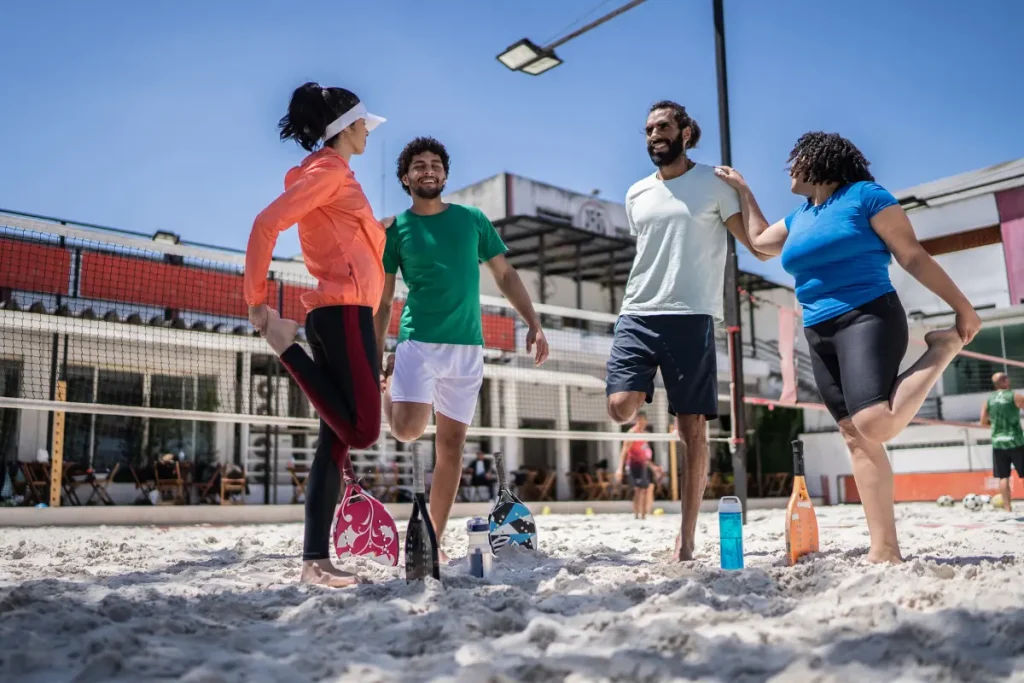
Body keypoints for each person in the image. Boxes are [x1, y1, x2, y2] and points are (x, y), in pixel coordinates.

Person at [715, 131, 982, 564]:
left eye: (795, 158)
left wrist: (962, 309)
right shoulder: (801, 216)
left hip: (868, 314)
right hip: (819, 332)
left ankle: (942, 347)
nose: (788, 167)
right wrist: (742, 191)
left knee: (874, 423)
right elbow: (761, 244)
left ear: (818, 160)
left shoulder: (866, 197)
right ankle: (885, 549)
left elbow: (911, 255)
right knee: (856, 437)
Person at [244, 82, 391, 587]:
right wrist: (257, 301)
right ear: (347, 128)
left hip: (346, 313)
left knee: (335, 442)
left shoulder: (332, 176)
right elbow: (266, 223)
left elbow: (350, 238)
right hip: (342, 314)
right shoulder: (329, 171)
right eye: (363, 126)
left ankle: (314, 562)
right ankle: (286, 347)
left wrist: (384, 228)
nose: (367, 133)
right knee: (364, 430)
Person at [375, 136, 549, 562]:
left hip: (467, 349)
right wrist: (374, 351)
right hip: (417, 342)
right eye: (418, 165)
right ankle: (387, 387)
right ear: (405, 177)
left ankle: (433, 534)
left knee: (451, 446)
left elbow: (505, 275)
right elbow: (382, 299)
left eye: (435, 164)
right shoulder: (394, 230)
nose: (428, 170)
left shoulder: (472, 220)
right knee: (407, 431)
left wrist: (534, 323)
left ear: (445, 175)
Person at [606, 101, 765, 562]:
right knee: (620, 408)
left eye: (663, 126)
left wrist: (746, 190)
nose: (654, 134)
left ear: (686, 132)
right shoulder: (636, 193)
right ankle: (644, 393)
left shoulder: (715, 184)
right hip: (637, 311)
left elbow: (754, 245)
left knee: (691, 429)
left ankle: (688, 537)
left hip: (691, 316)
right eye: (649, 129)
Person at [980, 372, 1024, 512]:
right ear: (1005, 381)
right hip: (1015, 440)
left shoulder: (989, 400)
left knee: (1003, 477)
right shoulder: (1014, 396)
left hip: (998, 442)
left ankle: (1007, 507)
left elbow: (983, 422)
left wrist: (997, 426)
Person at [616, 412, 654, 520]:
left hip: (643, 465)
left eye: (643, 420)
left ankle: (644, 515)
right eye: (639, 420)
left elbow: (645, 453)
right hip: (633, 464)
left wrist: (653, 467)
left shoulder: (645, 435)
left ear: (646, 421)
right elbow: (624, 451)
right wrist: (620, 468)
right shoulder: (632, 433)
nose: (641, 422)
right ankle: (637, 515)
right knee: (638, 490)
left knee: (646, 489)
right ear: (636, 420)